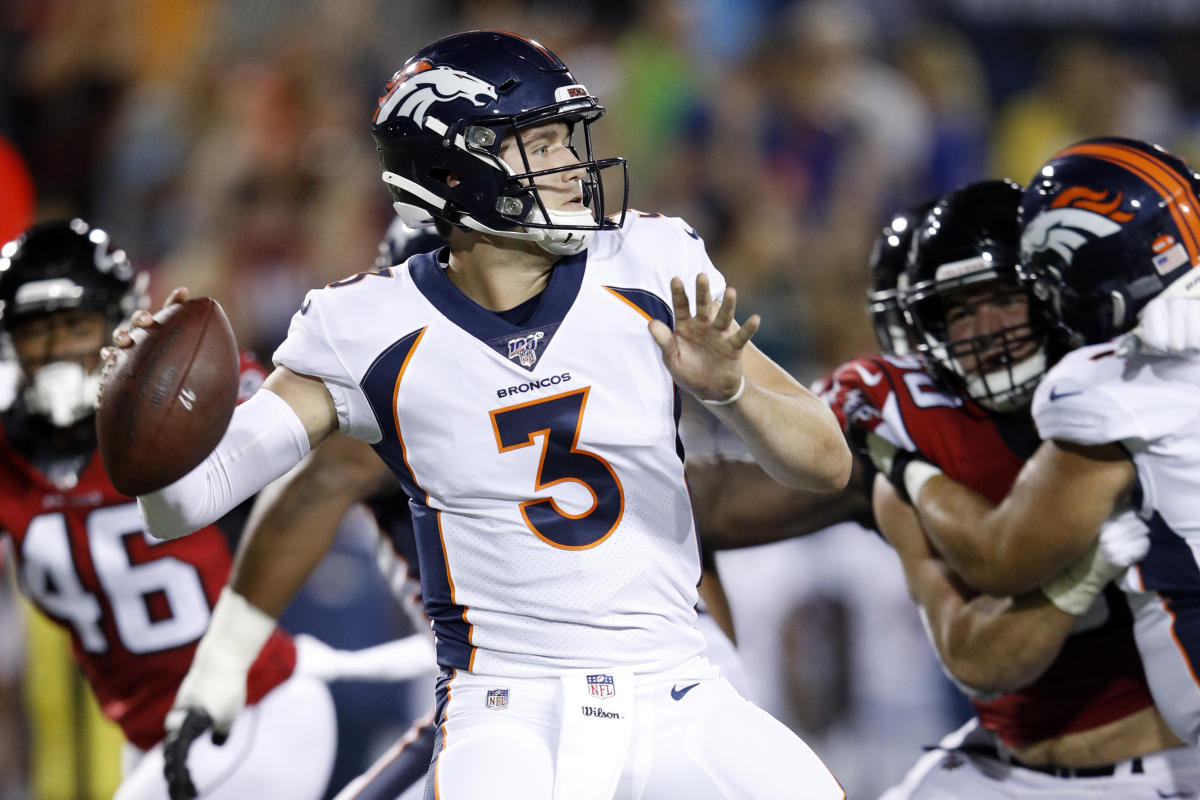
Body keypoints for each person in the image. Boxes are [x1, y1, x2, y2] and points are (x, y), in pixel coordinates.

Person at [120, 29, 850, 800]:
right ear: (453, 169)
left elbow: (826, 462)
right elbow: (181, 505)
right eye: (540, 144)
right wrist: (139, 412)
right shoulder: (366, 326)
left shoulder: (649, 263)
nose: (573, 166)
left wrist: (730, 390)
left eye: (570, 139)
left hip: (674, 687)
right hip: (508, 713)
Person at [828, 180, 1200, 799]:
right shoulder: (922, 431)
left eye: (1002, 298)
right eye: (960, 311)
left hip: (1163, 767)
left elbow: (997, 555)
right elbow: (976, 659)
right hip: (997, 765)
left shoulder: (1130, 402)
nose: (984, 331)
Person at [0, 220, 338, 800]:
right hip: (152, 737)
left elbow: (316, 430)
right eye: (37, 333)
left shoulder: (174, 412)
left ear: (117, 320)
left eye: (75, 325)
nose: (57, 351)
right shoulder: (10, 447)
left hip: (250, 708)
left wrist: (184, 375)